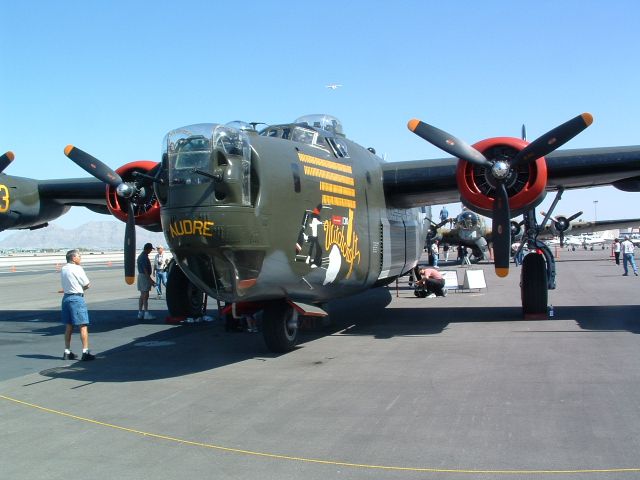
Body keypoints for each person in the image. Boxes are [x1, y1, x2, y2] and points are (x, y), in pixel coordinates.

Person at [60, 249, 95, 361]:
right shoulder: (77, 268)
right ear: (73, 258)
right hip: (76, 298)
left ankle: (67, 351)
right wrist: (82, 288)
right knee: (83, 325)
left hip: (66, 298)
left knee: (69, 326)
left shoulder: (64, 268)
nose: (80, 258)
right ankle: (85, 351)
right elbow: (87, 284)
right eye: (79, 256)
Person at [137, 243, 157, 319]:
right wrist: (150, 280)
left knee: (142, 295)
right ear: (148, 249)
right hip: (144, 277)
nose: (151, 251)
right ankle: (146, 313)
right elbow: (145, 270)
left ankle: (140, 312)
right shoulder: (144, 257)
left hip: (142, 276)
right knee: (145, 295)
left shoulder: (141, 256)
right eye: (150, 249)